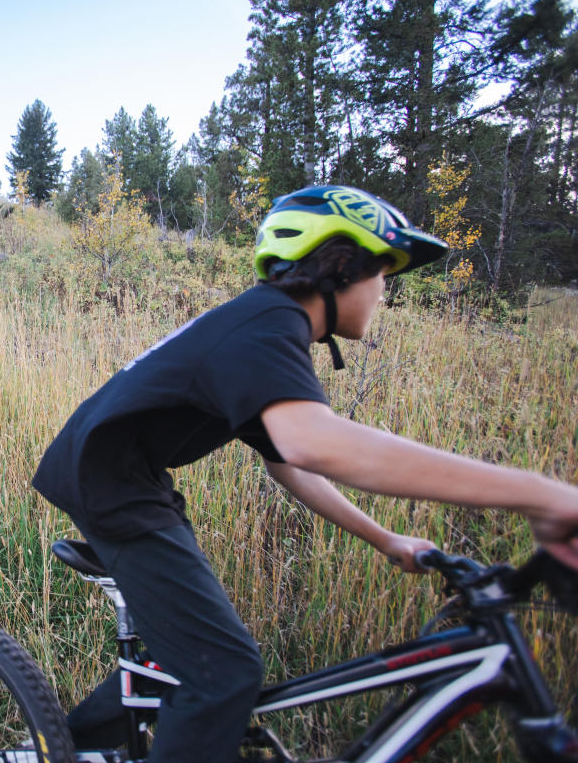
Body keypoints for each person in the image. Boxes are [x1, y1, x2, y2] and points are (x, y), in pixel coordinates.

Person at [31, 184, 578, 762]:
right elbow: (315, 444)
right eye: (383, 275)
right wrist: (542, 495)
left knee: (188, 658)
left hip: (128, 477)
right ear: (341, 266)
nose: (384, 295)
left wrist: (385, 539)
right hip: (109, 482)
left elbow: (288, 460)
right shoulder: (265, 325)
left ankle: (56, 749)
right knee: (225, 675)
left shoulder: (267, 325)